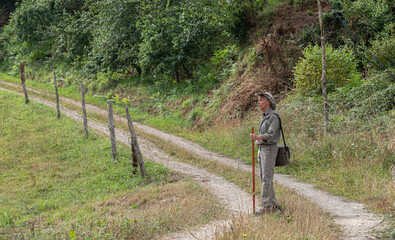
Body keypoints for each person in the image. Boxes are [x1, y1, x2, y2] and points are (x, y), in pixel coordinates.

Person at [249, 92, 281, 214]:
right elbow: (266, 135)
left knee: (266, 178)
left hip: (269, 150)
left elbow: (271, 134)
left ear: (268, 102)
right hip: (263, 149)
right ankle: (273, 204)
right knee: (263, 177)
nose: (258, 102)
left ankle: (267, 207)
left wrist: (258, 137)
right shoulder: (265, 116)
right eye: (258, 100)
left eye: (261, 100)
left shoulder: (273, 116)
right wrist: (259, 140)